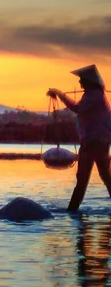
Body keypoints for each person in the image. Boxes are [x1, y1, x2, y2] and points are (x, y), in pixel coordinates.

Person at [49, 64, 111, 212]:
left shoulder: (94, 95)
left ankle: (72, 211)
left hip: (94, 143)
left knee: (85, 180)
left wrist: (60, 93)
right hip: (96, 142)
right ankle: (73, 210)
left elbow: (77, 108)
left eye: (82, 79)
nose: (79, 82)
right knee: (101, 178)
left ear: (89, 81)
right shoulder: (93, 94)